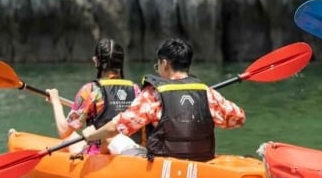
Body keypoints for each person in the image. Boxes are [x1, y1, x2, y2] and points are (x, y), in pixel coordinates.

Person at [69, 38, 245, 161]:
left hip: (163, 164)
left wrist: (91, 135)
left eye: (158, 64)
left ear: (165, 63)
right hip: (202, 159)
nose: (158, 69)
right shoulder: (207, 93)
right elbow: (238, 118)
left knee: (113, 138)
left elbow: (118, 126)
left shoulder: (153, 95)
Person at [47, 38, 142, 157]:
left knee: (69, 138)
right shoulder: (135, 90)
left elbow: (64, 131)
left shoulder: (90, 90)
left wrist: (56, 101)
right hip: (128, 151)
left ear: (96, 61)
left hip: (98, 154)